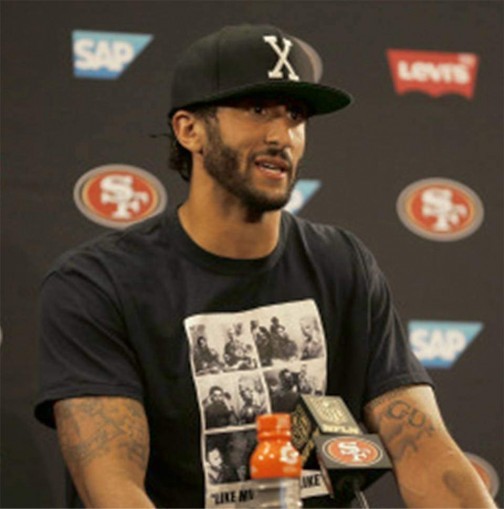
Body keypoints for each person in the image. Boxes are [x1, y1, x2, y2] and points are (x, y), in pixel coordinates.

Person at [34, 23, 496, 509]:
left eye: (295, 116)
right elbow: (112, 489)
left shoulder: (343, 264)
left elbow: (426, 451)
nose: (282, 136)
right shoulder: (97, 284)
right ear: (189, 130)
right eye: (257, 111)